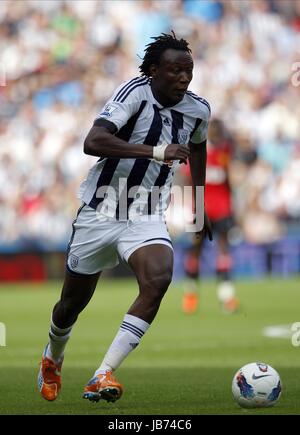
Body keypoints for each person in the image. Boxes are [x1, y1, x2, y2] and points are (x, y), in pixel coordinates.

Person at [38, 32, 212, 404]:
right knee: (71, 305)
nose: (184, 78)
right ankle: (53, 356)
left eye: (189, 71)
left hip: (146, 213)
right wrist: (155, 151)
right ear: (153, 71)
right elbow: (93, 142)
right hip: (100, 211)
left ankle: (102, 374)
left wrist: (198, 200)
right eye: (175, 70)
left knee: (159, 278)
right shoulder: (134, 92)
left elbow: (198, 147)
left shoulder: (198, 109)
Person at [181, 118, 239, 315]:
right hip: (201, 208)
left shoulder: (225, 152)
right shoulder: (198, 152)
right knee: (196, 251)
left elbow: (228, 179)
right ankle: (191, 294)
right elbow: (189, 179)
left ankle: (226, 297)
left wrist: (233, 204)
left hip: (222, 208)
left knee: (223, 250)